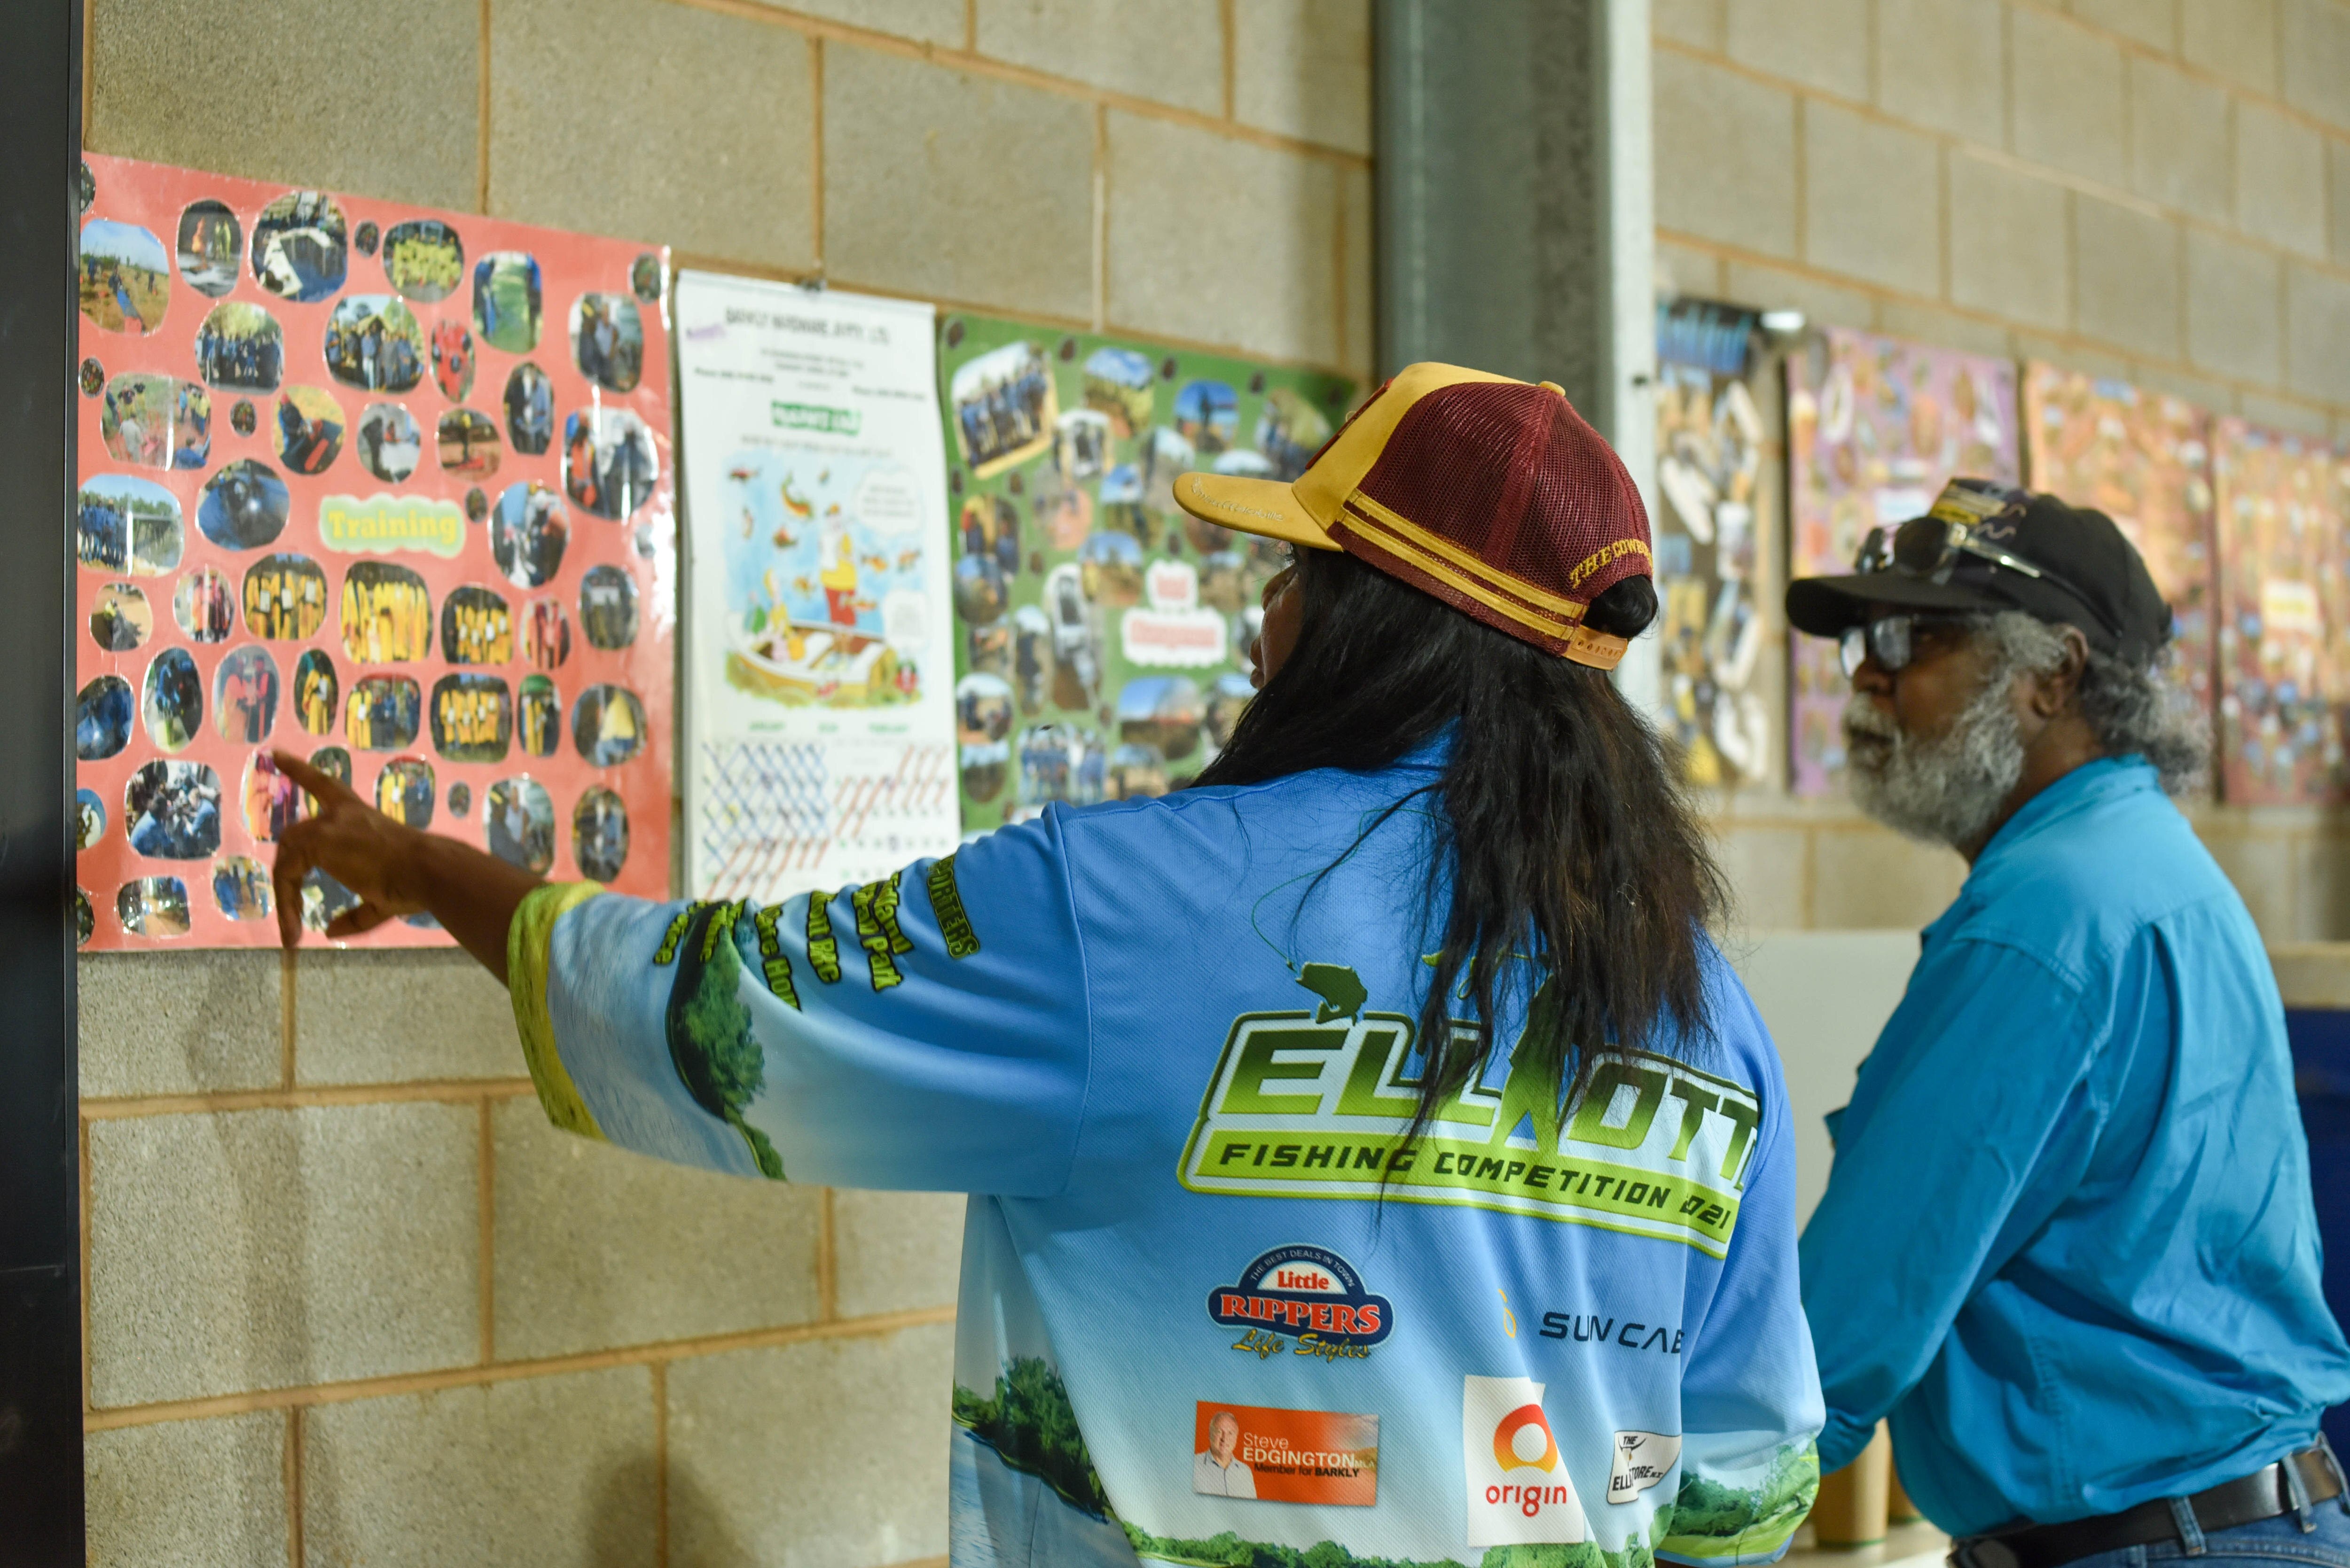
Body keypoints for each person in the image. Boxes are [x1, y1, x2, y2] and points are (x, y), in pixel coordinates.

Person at [268, 363, 1824, 1566]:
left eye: (1289, 583)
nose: (1258, 633)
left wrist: (418, 865)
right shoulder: (1700, 1002)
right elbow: (1748, 1465)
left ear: (1368, 623)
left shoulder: (1124, 905)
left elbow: (710, 1007)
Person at [1786, 478, 2350, 1567]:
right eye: (1863, 636)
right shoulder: (2152, 869)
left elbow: (1852, 1314)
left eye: (1914, 637)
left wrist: (1685, 1525)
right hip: (2241, 1519)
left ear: (2053, 675)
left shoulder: (2043, 919)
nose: (1867, 670)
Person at [1193, 1410, 1255, 1499]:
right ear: (1210, 1434)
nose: (1225, 1439)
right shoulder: (1194, 1465)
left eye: (1230, 1433)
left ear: (1236, 1438)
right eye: (1219, 1432)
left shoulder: (1245, 1472)